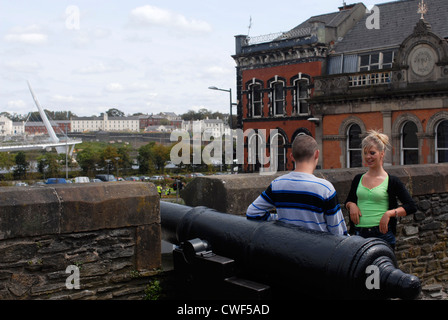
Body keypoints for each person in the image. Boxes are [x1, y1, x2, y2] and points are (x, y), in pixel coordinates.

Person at [246, 133, 348, 235]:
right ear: (317, 154)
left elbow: (252, 212)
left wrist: (279, 219)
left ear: (291, 157)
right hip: (317, 249)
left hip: (286, 247)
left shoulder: (277, 184)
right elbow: (337, 232)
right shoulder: (325, 189)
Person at [345, 130, 416, 249]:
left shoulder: (392, 181)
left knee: (382, 268)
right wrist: (351, 205)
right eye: (365, 153)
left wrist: (389, 213)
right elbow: (349, 200)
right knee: (361, 268)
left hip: (382, 235)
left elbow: (411, 206)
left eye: (372, 153)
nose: (368, 157)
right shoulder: (358, 179)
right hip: (359, 234)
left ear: (382, 154)